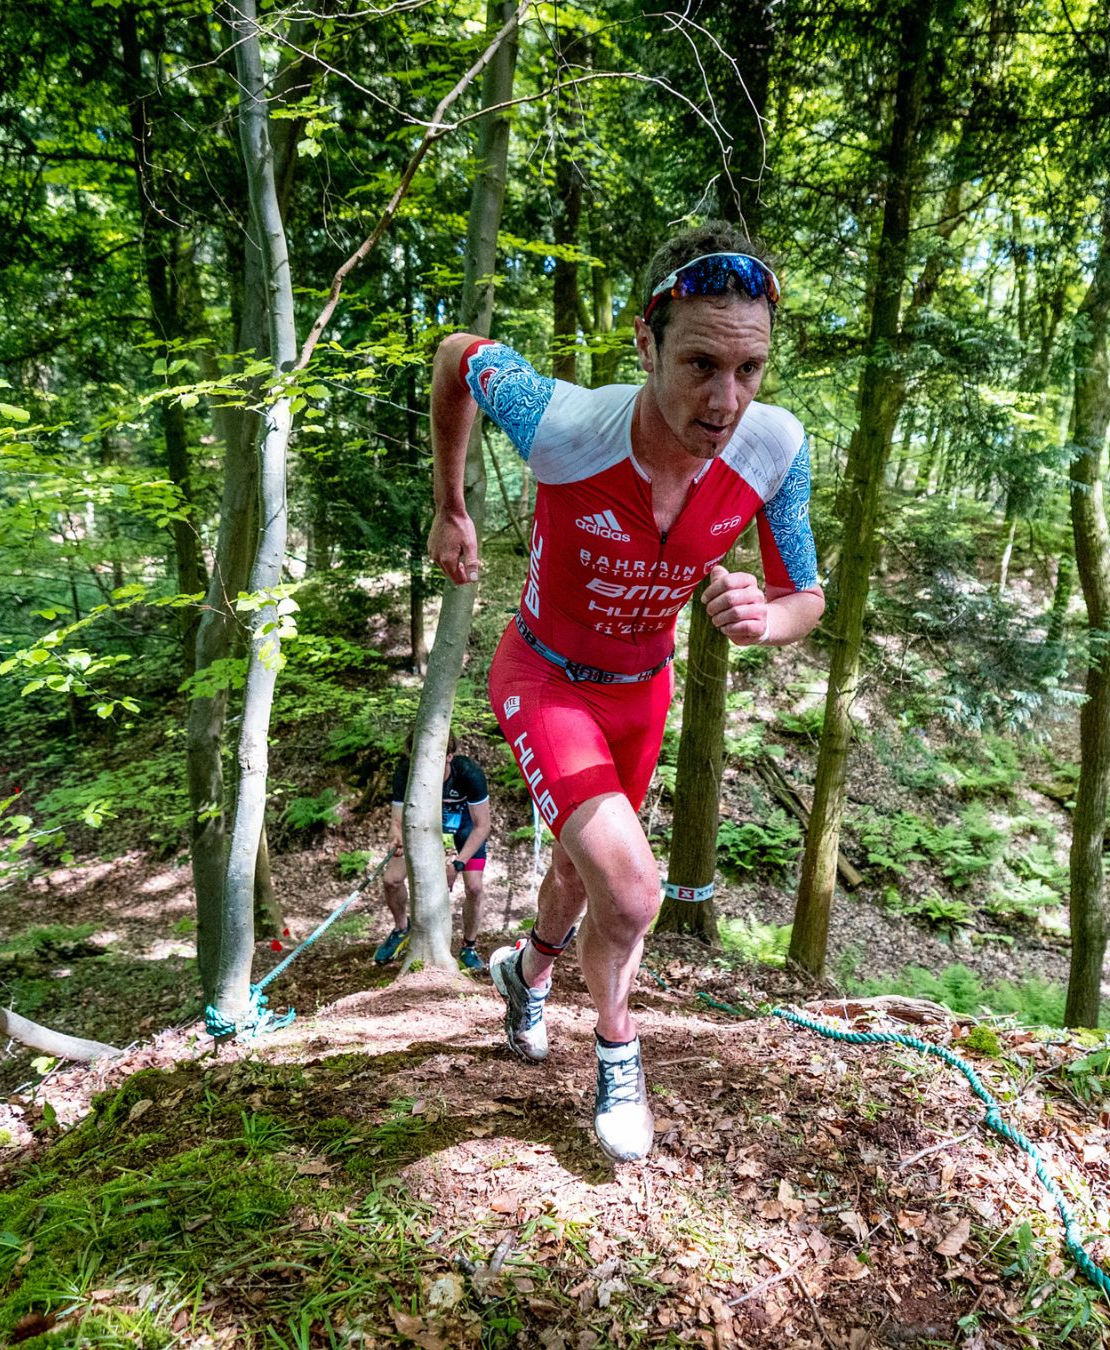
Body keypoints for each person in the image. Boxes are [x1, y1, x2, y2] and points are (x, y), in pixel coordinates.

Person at [425, 222, 825, 1162]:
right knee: (635, 889)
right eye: (699, 364)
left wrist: (766, 620)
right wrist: (451, 504)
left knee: (582, 873)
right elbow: (455, 356)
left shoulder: (775, 449)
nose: (725, 400)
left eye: (750, 369)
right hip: (544, 676)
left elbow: (804, 594)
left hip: (643, 692)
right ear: (646, 343)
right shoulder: (563, 423)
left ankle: (527, 974)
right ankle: (617, 1047)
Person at [375, 750, 495, 971]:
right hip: (423, 823)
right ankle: (401, 929)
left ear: (449, 756)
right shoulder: (405, 771)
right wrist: (396, 836)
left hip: (465, 824)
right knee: (391, 880)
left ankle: (468, 946)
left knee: (475, 887)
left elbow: (483, 826)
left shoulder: (468, 773)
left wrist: (457, 864)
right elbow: (397, 822)